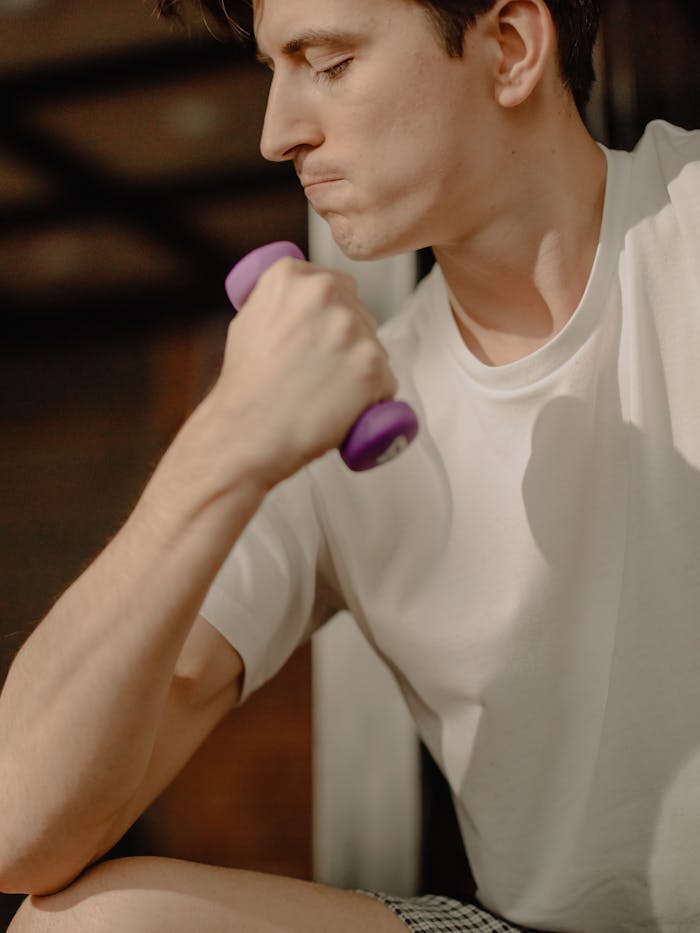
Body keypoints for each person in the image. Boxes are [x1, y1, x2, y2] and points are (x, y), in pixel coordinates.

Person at [2, 0, 700, 929]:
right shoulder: (336, 417)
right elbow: (18, 829)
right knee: (91, 924)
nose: (275, 134)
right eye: (273, 72)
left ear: (509, 47)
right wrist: (223, 449)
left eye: (326, 63)